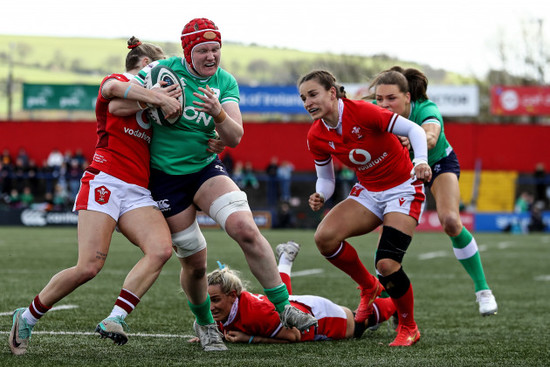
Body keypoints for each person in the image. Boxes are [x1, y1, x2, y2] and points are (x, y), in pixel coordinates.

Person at [131, 18, 317, 351]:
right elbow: (114, 100)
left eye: (216, 49)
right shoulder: (162, 71)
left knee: (245, 228)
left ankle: (284, 307)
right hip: (165, 179)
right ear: (188, 51)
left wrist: (218, 114)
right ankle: (206, 326)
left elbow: (235, 135)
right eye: (203, 50)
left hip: (205, 170)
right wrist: (151, 97)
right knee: (195, 262)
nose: (211, 56)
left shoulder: (224, 81)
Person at [8, 37, 183, 355]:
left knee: (160, 250)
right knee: (89, 266)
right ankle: (28, 316)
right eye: (160, 69)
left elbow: (136, 111)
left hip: (138, 190)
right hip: (106, 180)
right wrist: (156, 96)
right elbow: (112, 96)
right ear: (146, 65)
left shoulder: (146, 99)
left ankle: (115, 318)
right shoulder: (122, 80)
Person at [298, 69, 432, 347]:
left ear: (332, 93)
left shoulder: (364, 112)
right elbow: (325, 178)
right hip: (369, 192)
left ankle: (409, 327)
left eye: (313, 94)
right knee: (324, 238)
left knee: (387, 263)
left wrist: (420, 161)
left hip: (403, 189)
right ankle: (369, 286)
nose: (308, 102)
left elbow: (414, 129)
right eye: (303, 98)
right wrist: (320, 194)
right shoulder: (316, 135)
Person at [369, 66, 498, 316]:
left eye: (391, 98)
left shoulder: (426, 109)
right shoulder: (376, 113)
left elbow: (430, 135)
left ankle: (483, 290)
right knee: (387, 235)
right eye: (380, 98)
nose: (384, 104)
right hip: (401, 171)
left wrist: (415, 141)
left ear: (407, 97)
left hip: (438, 163)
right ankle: (387, 302)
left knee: (450, 221)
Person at [202, 241, 397, 344]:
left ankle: (397, 301)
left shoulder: (256, 313)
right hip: (292, 306)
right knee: (278, 295)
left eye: (216, 300)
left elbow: (293, 335)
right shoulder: (226, 307)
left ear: (232, 296)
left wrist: (251, 339)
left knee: (361, 324)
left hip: (318, 317)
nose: (210, 307)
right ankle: (285, 260)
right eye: (208, 300)